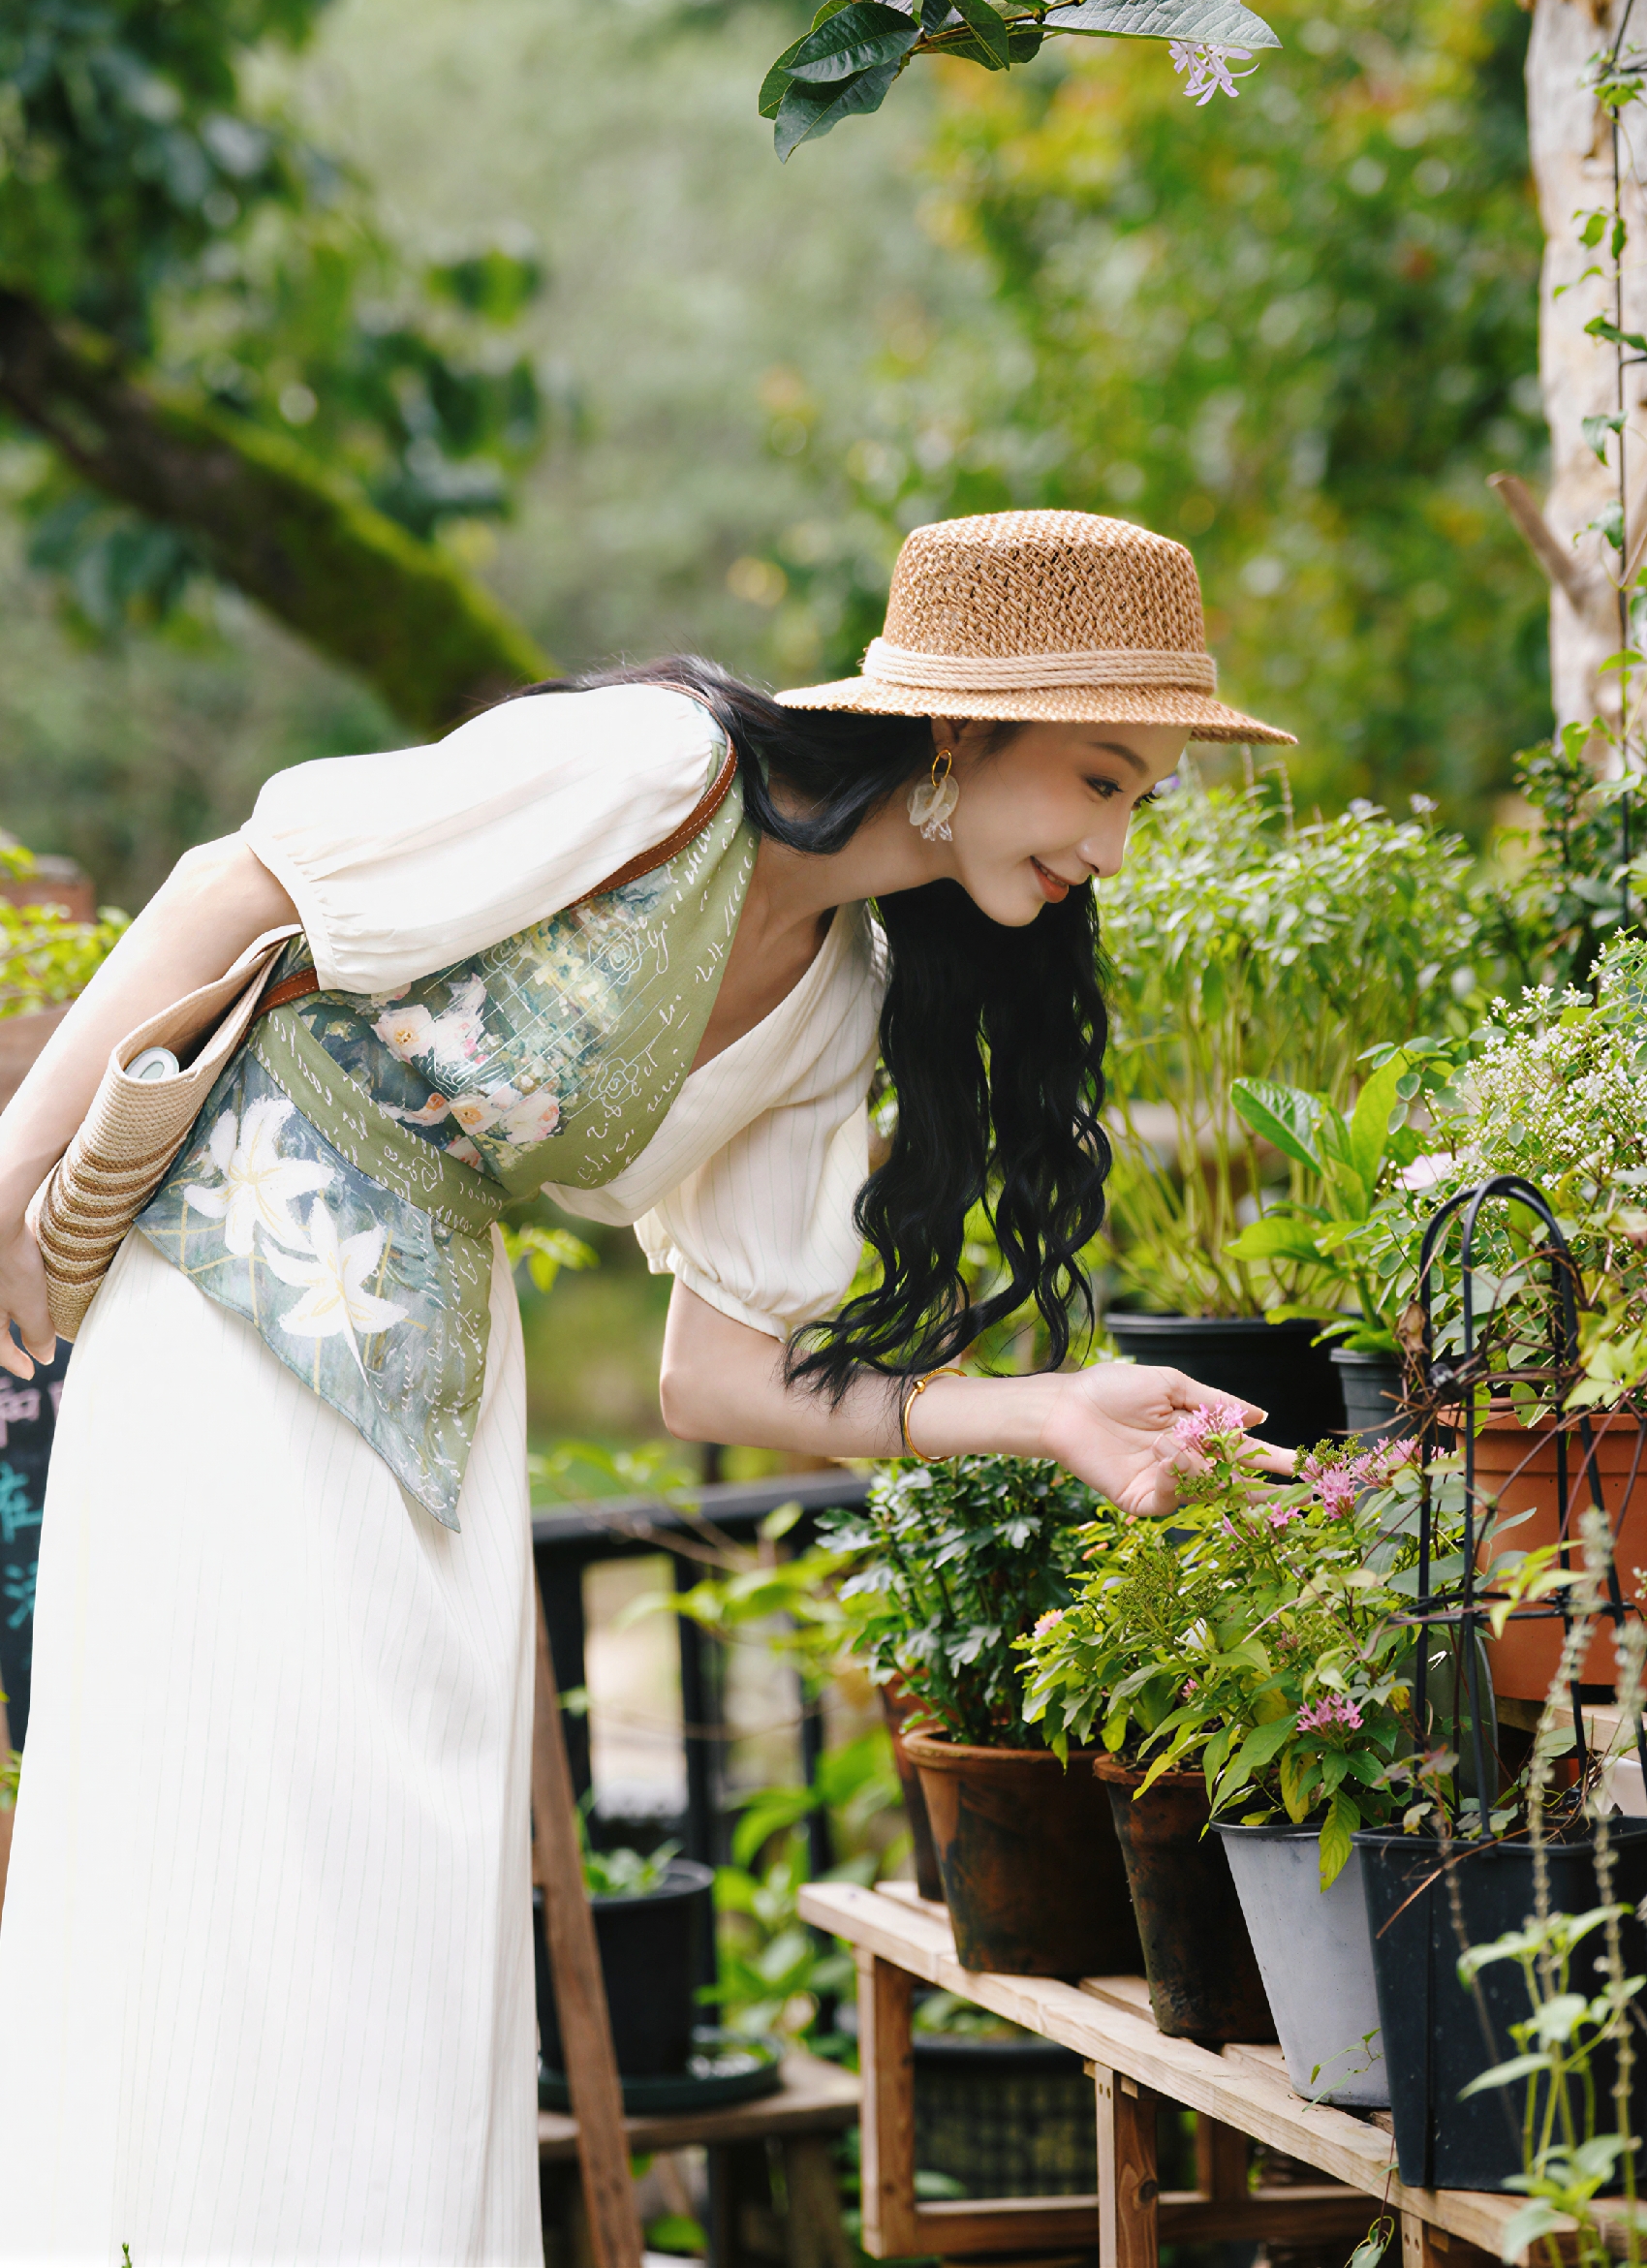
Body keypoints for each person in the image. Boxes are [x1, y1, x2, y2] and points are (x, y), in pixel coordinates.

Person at [0, 508, 1293, 2262]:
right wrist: (14, 1171)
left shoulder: (838, 1002)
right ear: (964, 728)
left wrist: (1048, 1411)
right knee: (244, 1866)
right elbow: (242, 882)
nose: (1116, 846)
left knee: (408, 1915)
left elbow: (718, 1374)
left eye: (1138, 800)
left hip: (436, 1367)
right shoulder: (654, 767)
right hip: (238, 1281)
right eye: (1099, 779)